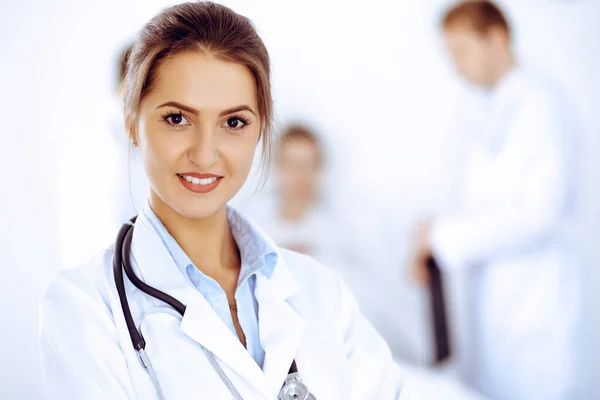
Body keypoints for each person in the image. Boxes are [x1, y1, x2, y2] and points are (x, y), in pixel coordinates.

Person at [39, 2, 403, 399]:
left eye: (234, 122)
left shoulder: (321, 292)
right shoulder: (84, 307)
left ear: (260, 129)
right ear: (132, 124)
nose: (206, 154)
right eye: (177, 118)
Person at [409, 2, 582, 399]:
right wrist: (430, 235)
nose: (456, 65)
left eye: (462, 51)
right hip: (493, 307)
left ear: (497, 37)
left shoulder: (542, 104)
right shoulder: (483, 108)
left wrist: (442, 237)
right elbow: (472, 201)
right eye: (450, 55)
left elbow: (542, 213)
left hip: (536, 305)